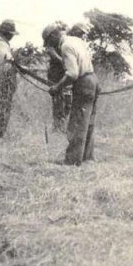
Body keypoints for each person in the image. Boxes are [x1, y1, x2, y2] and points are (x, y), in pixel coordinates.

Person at [43, 23, 99, 166]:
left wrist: (57, 87)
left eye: (50, 42)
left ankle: (72, 162)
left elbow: (73, 73)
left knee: (77, 122)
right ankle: (87, 158)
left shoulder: (66, 46)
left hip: (83, 83)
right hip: (93, 79)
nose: (50, 45)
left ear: (54, 35)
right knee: (88, 122)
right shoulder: (76, 40)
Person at [45, 21, 71, 131]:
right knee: (58, 101)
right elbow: (51, 52)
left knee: (68, 102)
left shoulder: (65, 40)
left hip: (68, 75)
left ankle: (64, 125)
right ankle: (58, 127)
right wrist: (64, 61)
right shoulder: (52, 44)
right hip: (56, 75)